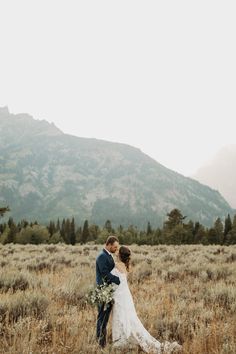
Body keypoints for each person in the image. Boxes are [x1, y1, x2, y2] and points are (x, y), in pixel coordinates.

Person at [111, 246, 182, 353]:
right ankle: (124, 338)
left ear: (120, 255)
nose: (116, 253)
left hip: (120, 294)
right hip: (124, 294)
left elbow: (110, 277)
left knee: (121, 316)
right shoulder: (125, 266)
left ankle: (123, 339)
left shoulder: (117, 265)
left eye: (118, 252)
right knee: (127, 317)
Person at [95, 235, 120, 348]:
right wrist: (118, 280)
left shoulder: (108, 256)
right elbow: (105, 273)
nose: (116, 249)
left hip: (109, 291)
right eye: (114, 247)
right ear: (108, 245)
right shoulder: (102, 256)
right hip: (103, 291)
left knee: (105, 318)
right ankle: (100, 343)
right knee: (102, 317)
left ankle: (102, 342)